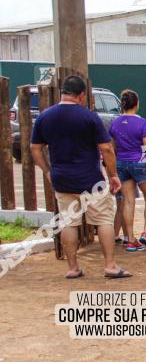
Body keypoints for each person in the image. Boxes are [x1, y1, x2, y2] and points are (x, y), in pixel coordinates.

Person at [30, 75, 131, 279]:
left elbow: (35, 148)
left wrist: (48, 171)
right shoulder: (89, 117)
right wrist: (113, 175)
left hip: (62, 180)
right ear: (82, 95)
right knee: (103, 219)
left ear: (63, 93)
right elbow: (106, 148)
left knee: (68, 222)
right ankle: (110, 265)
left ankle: (73, 268)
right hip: (91, 180)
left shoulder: (45, 117)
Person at [109, 89, 146, 252]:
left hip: (122, 163)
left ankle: (131, 239)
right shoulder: (142, 123)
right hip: (140, 162)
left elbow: (112, 148)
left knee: (128, 201)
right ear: (137, 104)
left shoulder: (115, 123)